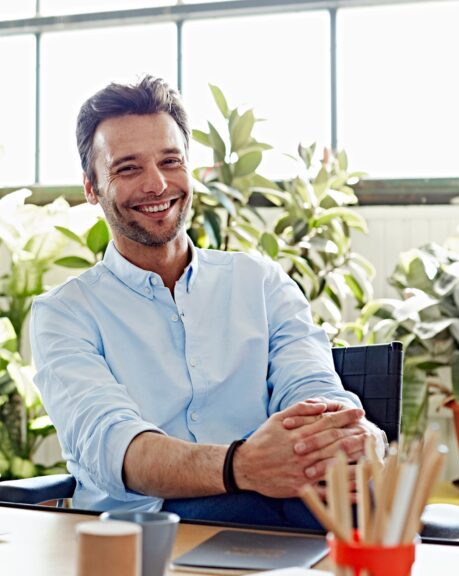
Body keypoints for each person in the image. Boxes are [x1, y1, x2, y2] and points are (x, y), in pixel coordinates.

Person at [28, 76, 386, 529]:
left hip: (283, 513)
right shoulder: (64, 314)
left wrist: (353, 435)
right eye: (128, 168)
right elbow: (115, 445)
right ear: (92, 187)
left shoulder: (259, 282)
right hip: (144, 533)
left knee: (356, 501)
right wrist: (243, 466)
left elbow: (312, 389)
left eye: (170, 161)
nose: (156, 185)